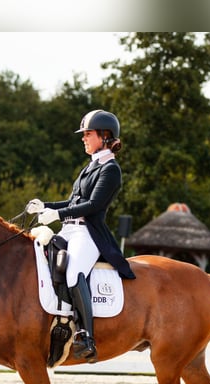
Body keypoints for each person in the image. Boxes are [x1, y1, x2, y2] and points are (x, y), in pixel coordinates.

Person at [26, 109, 135, 363]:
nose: (83, 138)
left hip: (87, 234)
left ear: (104, 136)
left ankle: (86, 336)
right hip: (69, 230)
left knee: (74, 271)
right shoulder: (90, 167)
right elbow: (74, 200)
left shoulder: (110, 169)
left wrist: (57, 215)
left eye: (88, 134)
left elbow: (93, 205)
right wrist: (46, 206)